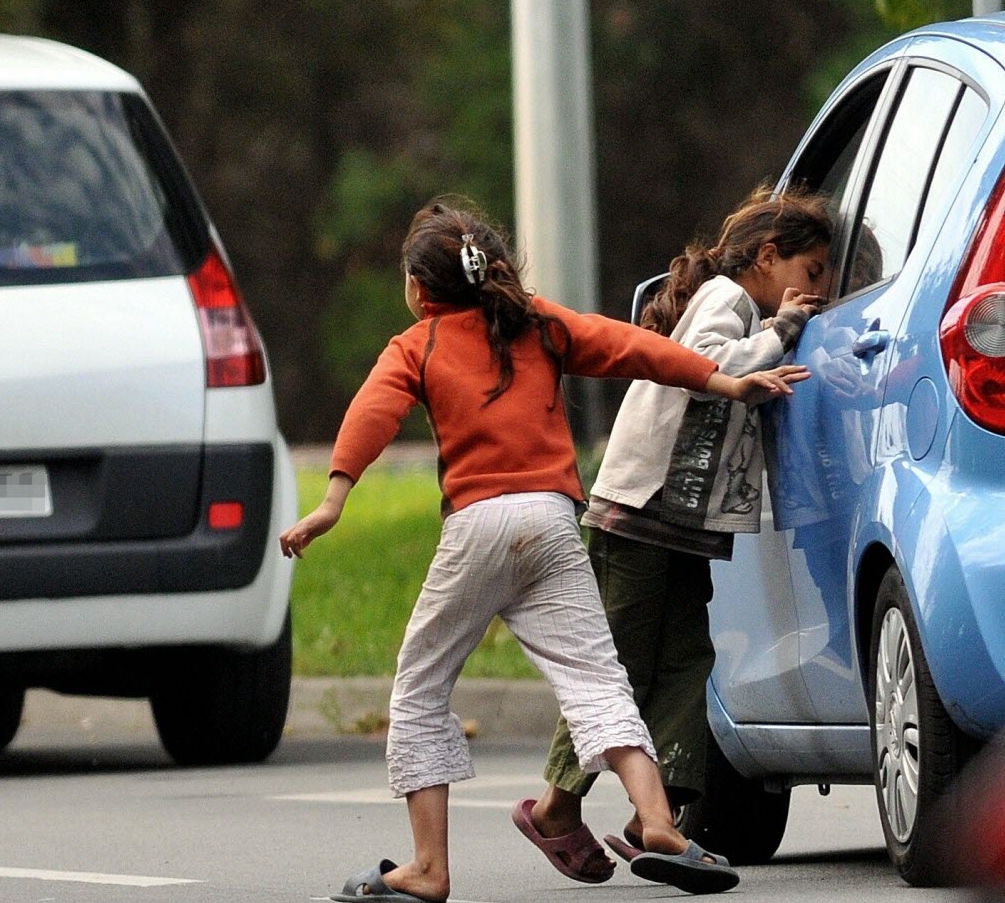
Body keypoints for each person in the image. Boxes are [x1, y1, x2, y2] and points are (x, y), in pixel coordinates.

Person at [279, 197, 809, 903]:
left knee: (419, 687)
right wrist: (722, 379)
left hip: (478, 525)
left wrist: (332, 500)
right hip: (555, 520)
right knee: (597, 680)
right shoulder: (540, 323)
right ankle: (657, 823)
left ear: (416, 287)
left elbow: (371, 412)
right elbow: (634, 349)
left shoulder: (418, 344)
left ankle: (428, 868)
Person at [513, 185, 833, 884]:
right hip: (640, 509)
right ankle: (555, 806)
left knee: (688, 656)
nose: (814, 294)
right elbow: (706, 373)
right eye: (810, 274)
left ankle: (657, 813)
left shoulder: (748, 302)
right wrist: (779, 329)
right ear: (768, 256)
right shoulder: (727, 299)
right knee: (620, 663)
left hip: (687, 524)